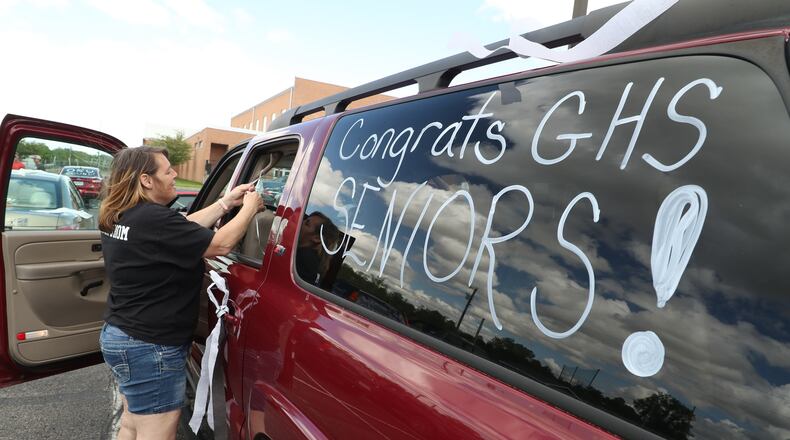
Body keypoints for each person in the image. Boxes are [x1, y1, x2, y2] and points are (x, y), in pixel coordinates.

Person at [97, 146, 262, 440]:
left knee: (132, 424)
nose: (174, 174)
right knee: (156, 433)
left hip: (121, 335)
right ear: (146, 180)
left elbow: (181, 228)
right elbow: (221, 245)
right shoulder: (153, 218)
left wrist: (225, 203)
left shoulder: (120, 214)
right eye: (168, 170)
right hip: (150, 346)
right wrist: (250, 207)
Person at [295, 211, 340, 285]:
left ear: (317, 238)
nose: (300, 222)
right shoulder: (313, 261)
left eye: (307, 224)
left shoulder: (303, 258)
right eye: (304, 220)